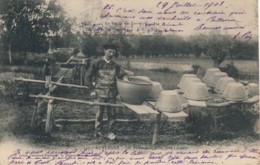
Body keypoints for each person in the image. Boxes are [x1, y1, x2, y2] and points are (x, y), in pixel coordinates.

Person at [85, 43, 129, 140]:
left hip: (112, 93)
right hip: (99, 92)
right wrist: (92, 90)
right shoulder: (96, 63)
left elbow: (123, 74)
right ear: (104, 51)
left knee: (112, 114)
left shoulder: (116, 65)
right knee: (99, 113)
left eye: (113, 52)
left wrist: (125, 78)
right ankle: (98, 131)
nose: (111, 54)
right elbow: (87, 77)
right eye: (109, 51)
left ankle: (111, 132)